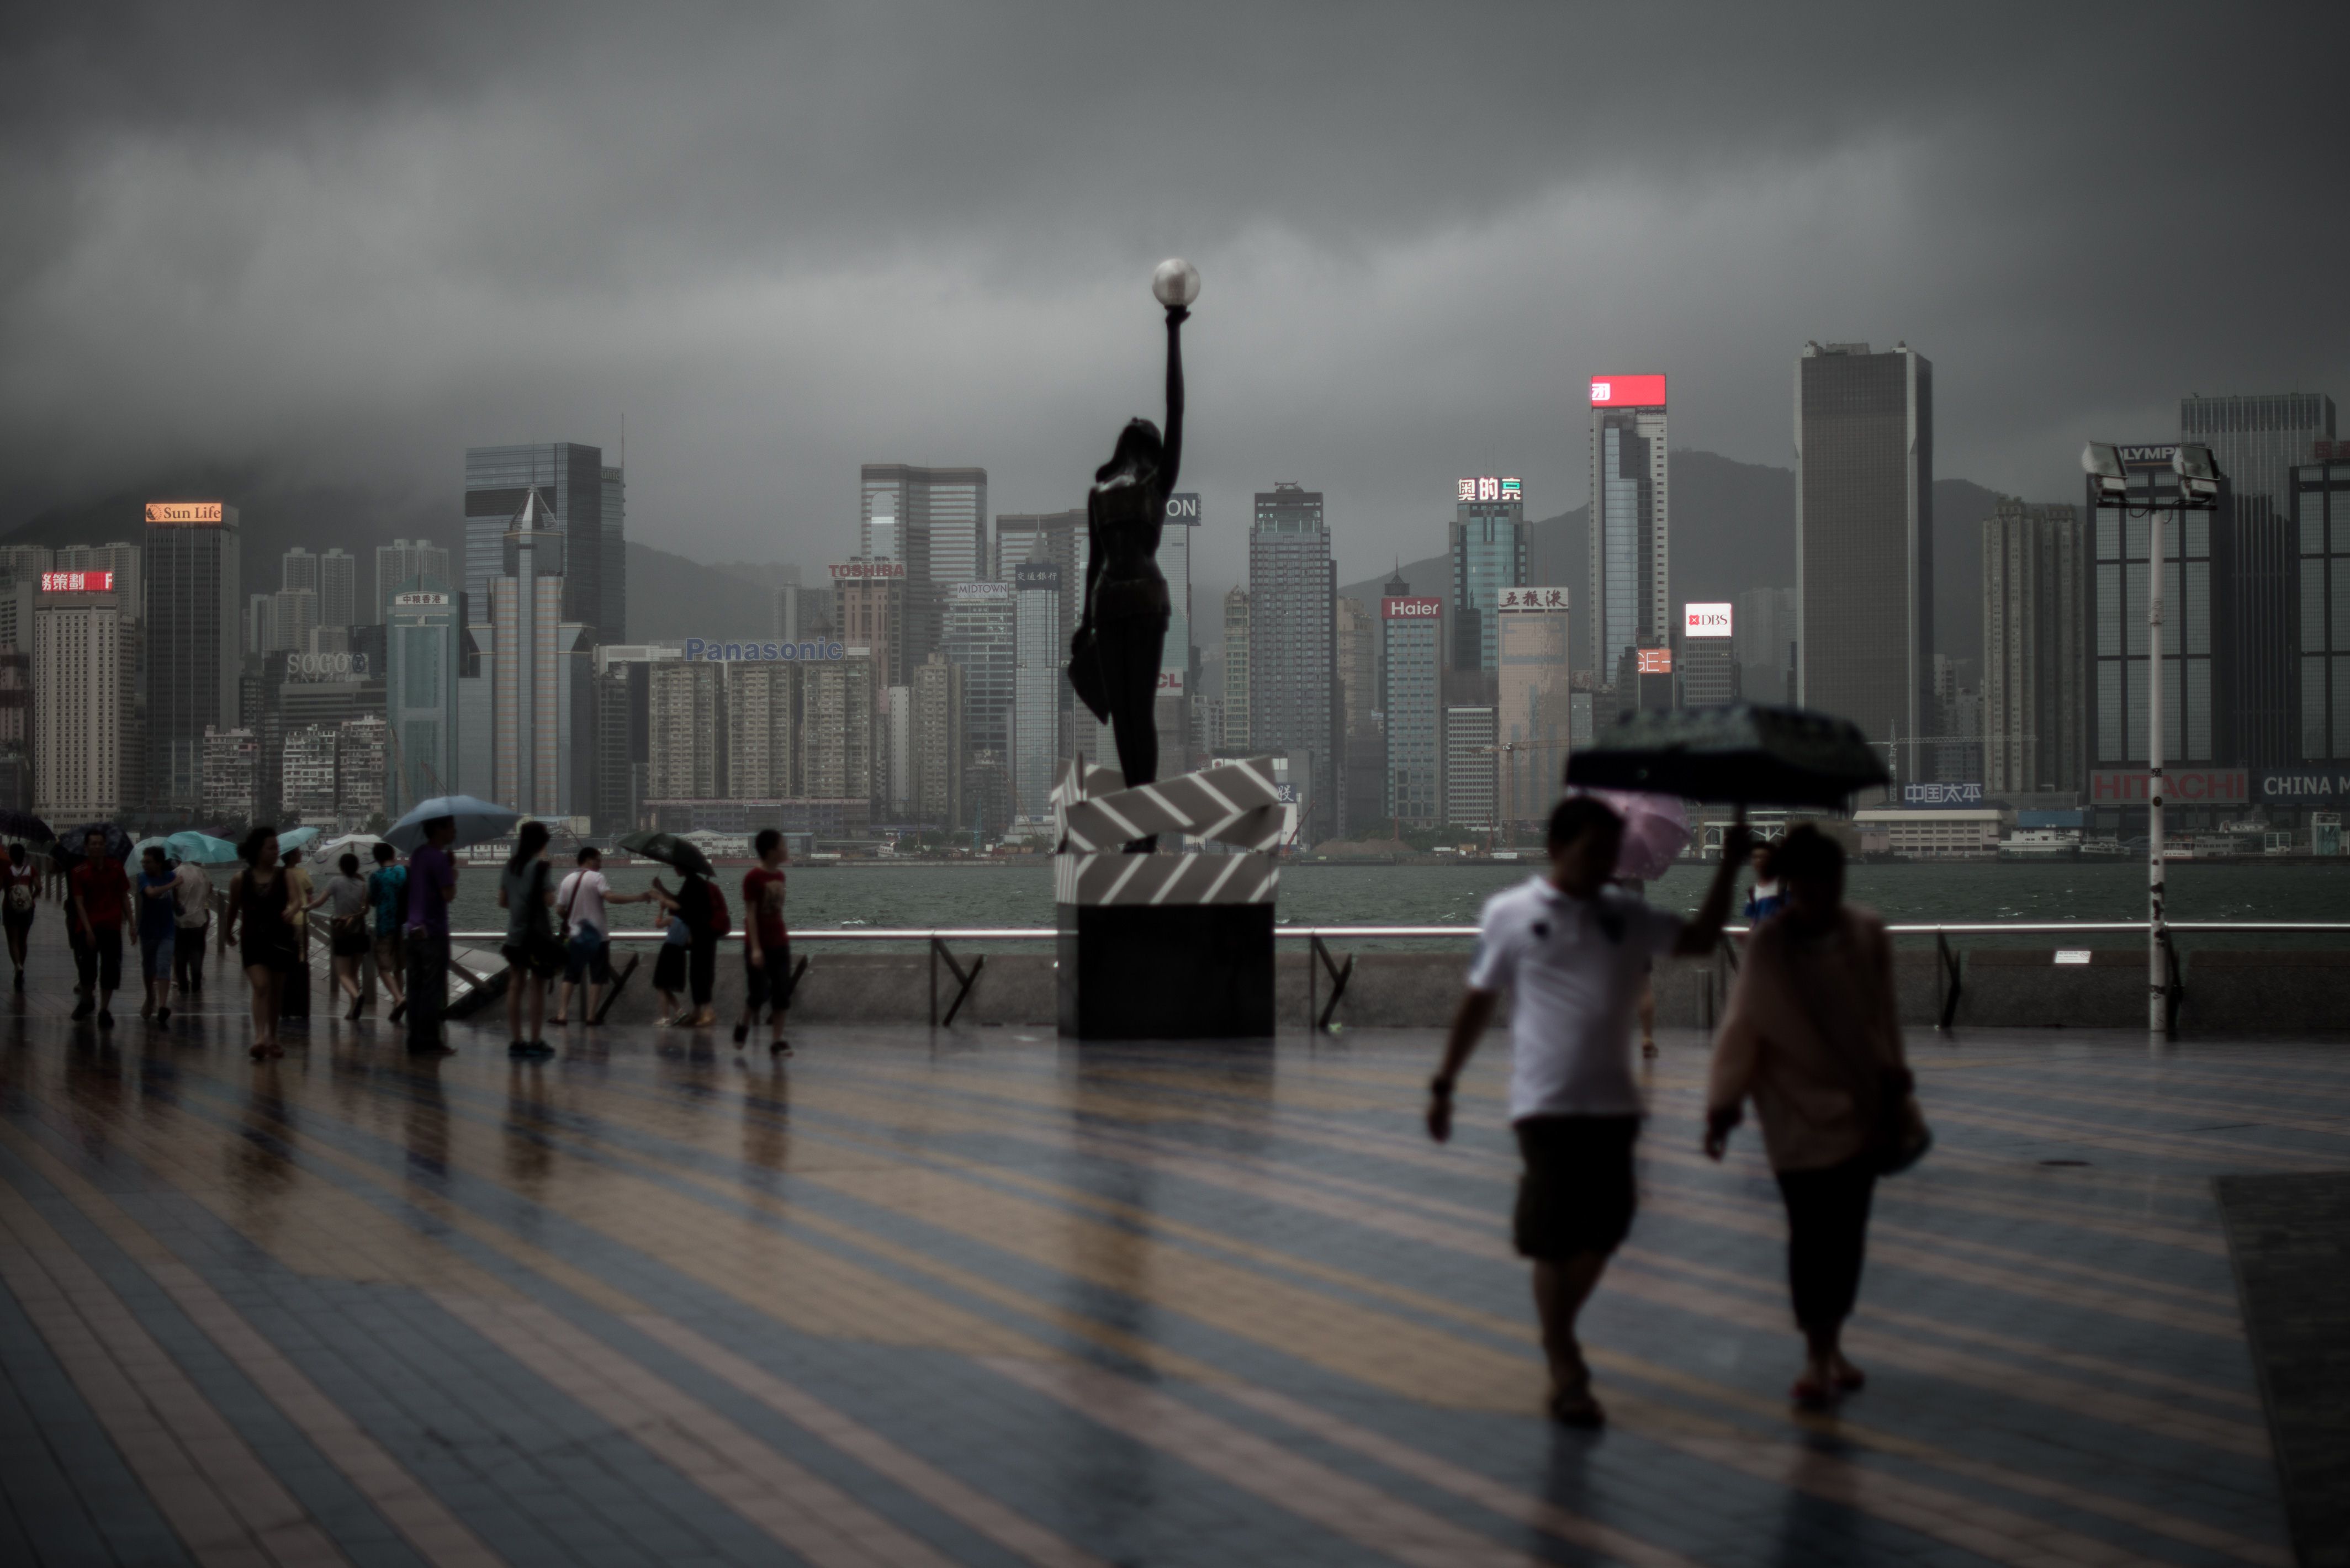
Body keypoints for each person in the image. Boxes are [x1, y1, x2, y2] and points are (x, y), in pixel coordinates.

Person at [1426, 796, 1750, 1427]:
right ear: (1555, 849)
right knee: (1552, 1236)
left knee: (1607, 1225)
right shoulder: (1511, 914)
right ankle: (1564, 1359)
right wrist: (1444, 1083)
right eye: (1589, 852)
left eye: (1609, 853)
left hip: (1614, 1104)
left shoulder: (1624, 914)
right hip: (1542, 1103)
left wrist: (1727, 869)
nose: (1602, 864)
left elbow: (1701, 940)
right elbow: (1477, 1002)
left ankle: (1556, 1334)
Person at [1705, 825, 1916, 1410]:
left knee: (1845, 1236)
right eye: (1811, 880)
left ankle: (1831, 1344)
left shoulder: (1864, 933)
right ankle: (1816, 1353)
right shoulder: (1770, 944)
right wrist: (1722, 1105)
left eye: (1832, 879)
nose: (1822, 892)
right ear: (1795, 882)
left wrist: (1894, 1074)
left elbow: (1883, 1016)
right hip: (1791, 1111)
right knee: (1808, 1235)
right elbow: (1741, 1029)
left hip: (1860, 1108)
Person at [1070, 286, 1186, 842]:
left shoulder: (1125, 488)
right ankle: (1143, 822)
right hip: (1130, 601)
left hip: (1119, 601)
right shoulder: (1131, 488)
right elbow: (1176, 407)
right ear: (1149, 444)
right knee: (1132, 712)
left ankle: (1143, 822)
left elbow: (1094, 563)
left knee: (1129, 713)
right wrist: (1173, 329)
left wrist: (1172, 330)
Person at [552, 845, 649, 1026]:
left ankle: (562, 1014)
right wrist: (638, 897)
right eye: (598, 860)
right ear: (589, 859)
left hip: (575, 936)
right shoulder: (597, 878)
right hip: (598, 937)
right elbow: (611, 898)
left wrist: (573, 920)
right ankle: (591, 1016)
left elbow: (559, 908)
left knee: (570, 976)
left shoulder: (567, 880)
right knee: (597, 976)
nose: (601, 864)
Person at [224, 828, 294, 1059]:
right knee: (261, 986)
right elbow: (233, 908)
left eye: (277, 847)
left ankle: (272, 1036)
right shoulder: (240, 880)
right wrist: (227, 931)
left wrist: (291, 910)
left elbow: (296, 901)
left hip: (280, 939)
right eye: (271, 847)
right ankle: (260, 1037)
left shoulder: (286, 876)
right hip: (252, 940)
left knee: (276, 992)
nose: (276, 851)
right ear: (258, 850)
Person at [496, 822, 560, 1058]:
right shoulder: (541, 867)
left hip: (515, 935)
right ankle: (535, 1039)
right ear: (541, 842)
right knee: (537, 988)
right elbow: (550, 901)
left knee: (515, 985)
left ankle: (517, 1040)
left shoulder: (510, 866)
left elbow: (502, 902)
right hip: (537, 938)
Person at [735, 829, 792, 1054]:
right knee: (758, 994)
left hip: (780, 941)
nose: (786, 849)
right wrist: (756, 949)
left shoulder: (780, 876)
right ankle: (743, 1023)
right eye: (782, 846)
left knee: (782, 994)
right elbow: (751, 914)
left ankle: (777, 1041)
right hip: (758, 944)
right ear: (771, 851)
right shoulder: (753, 878)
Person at [405, 817, 458, 1055]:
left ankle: (415, 1039)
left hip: (413, 929)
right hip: (433, 931)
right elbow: (448, 895)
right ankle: (430, 1041)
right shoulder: (439, 858)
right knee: (432, 989)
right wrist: (452, 873)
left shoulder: (417, 855)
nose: (454, 830)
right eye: (450, 826)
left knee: (415, 987)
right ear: (439, 829)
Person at [68, 829, 131, 1027]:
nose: (97, 847)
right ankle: (87, 1001)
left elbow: (124, 897)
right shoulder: (78, 872)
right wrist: (88, 930)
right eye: (93, 844)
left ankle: (104, 1009)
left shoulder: (116, 868)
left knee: (110, 969)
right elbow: (79, 903)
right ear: (86, 848)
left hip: (111, 926)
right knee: (87, 970)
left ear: (105, 846)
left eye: (100, 843)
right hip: (87, 928)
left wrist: (132, 923)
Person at [310, 852, 373, 1021]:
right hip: (361, 932)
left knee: (343, 974)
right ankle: (353, 1010)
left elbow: (320, 902)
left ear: (341, 867)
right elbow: (366, 910)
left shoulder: (335, 882)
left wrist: (306, 908)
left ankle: (356, 995)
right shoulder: (363, 885)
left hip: (343, 932)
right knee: (354, 973)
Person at [136, 847, 179, 1024]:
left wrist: (179, 906)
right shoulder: (143, 878)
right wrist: (173, 884)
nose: (145, 865)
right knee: (148, 970)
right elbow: (151, 893)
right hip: (148, 931)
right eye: (143, 862)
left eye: (149, 862)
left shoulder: (170, 876)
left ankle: (162, 1005)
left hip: (167, 929)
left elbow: (175, 899)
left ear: (159, 863)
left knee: (163, 964)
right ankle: (150, 997)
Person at [367, 843, 408, 1022]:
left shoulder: (376, 877)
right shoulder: (404, 871)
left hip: (385, 925)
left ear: (377, 858)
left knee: (384, 967)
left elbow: (373, 902)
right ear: (393, 854)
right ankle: (397, 1004)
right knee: (399, 967)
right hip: (404, 924)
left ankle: (399, 999)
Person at [648, 876, 690, 1025]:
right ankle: (680, 1011)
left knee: (661, 984)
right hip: (680, 953)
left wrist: (660, 910)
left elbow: (658, 925)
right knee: (665, 985)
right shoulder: (688, 923)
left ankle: (665, 1017)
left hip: (668, 952)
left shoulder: (672, 920)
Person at [279, 847, 314, 1020]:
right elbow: (310, 893)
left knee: (285, 958)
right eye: (299, 852)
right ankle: (300, 995)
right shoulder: (302, 873)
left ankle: (286, 995)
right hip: (300, 919)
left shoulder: (280, 874)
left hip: (284, 920)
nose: (301, 854)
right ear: (292, 856)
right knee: (301, 958)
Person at [171, 852, 211, 993]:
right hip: (198, 919)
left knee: (180, 952)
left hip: (180, 920)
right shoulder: (202, 873)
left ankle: (183, 983)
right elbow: (208, 891)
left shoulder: (176, 872)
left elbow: (172, 894)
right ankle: (196, 980)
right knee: (196, 951)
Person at [2, 842, 40, 991]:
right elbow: (39, 887)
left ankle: (17, 965)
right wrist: (31, 898)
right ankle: (22, 966)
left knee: (13, 940)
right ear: (24, 855)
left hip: (10, 909)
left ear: (10, 855)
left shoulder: (7, 870)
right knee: (23, 940)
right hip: (27, 910)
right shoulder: (31, 870)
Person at [1743, 840, 1786, 923]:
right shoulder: (1752, 891)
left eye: (1764, 857)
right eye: (1755, 857)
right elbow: (1754, 921)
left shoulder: (1784, 886)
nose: (1759, 861)